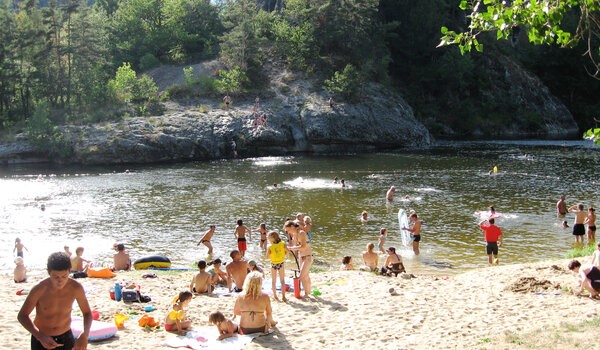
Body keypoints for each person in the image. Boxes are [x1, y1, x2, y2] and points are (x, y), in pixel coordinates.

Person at [18, 252, 92, 350]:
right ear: (49, 272)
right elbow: (22, 315)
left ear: (70, 271)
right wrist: (39, 336)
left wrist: (85, 335)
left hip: (66, 337)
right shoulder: (39, 289)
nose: (60, 281)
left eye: (64, 276)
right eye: (56, 277)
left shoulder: (76, 288)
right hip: (41, 337)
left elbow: (87, 313)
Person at [288, 228, 313, 298]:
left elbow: (303, 247)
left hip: (308, 256)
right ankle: (307, 293)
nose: (288, 232)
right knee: (306, 276)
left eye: (288, 229)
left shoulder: (302, 233)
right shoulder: (294, 235)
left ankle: (300, 293)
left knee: (301, 276)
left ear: (292, 227)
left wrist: (291, 248)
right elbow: (297, 248)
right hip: (301, 257)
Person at [267, 231, 288, 302]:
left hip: (273, 263)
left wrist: (270, 254)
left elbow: (267, 257)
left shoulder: (270, 247)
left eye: (269, 238)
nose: (268, 239)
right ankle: (284, 297)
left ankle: (275, 296)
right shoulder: (283, 243)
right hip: (281, 263)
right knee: (282, 280)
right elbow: (287, 251)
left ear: (273, 238)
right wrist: (283, 255)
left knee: (273, 281)